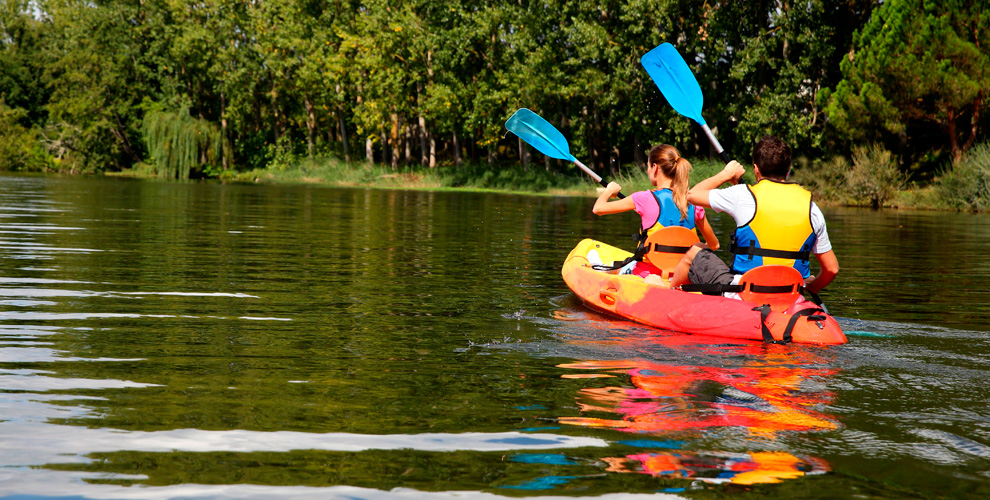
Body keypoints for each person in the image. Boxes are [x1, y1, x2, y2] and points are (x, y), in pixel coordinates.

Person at [669, 135, 839, 296]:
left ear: (756, 169)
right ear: (788, 170)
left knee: (696, 251)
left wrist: (726, 174)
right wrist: (811, 287)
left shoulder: (742, 195)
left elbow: (691, 195)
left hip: (745, 293)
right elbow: (831, 269)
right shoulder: (812, 208)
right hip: (790, 294)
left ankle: (670, 295)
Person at [592, 144, 719, 279]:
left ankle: (600, 268)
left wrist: (609, 191)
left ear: (655, 167)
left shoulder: (644, 199)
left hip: (645, 274)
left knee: (615, 267)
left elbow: (598, 209)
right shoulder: (695, 203)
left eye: (648, 166)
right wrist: (691, 255)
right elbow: (714, 244)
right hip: (680, 277)